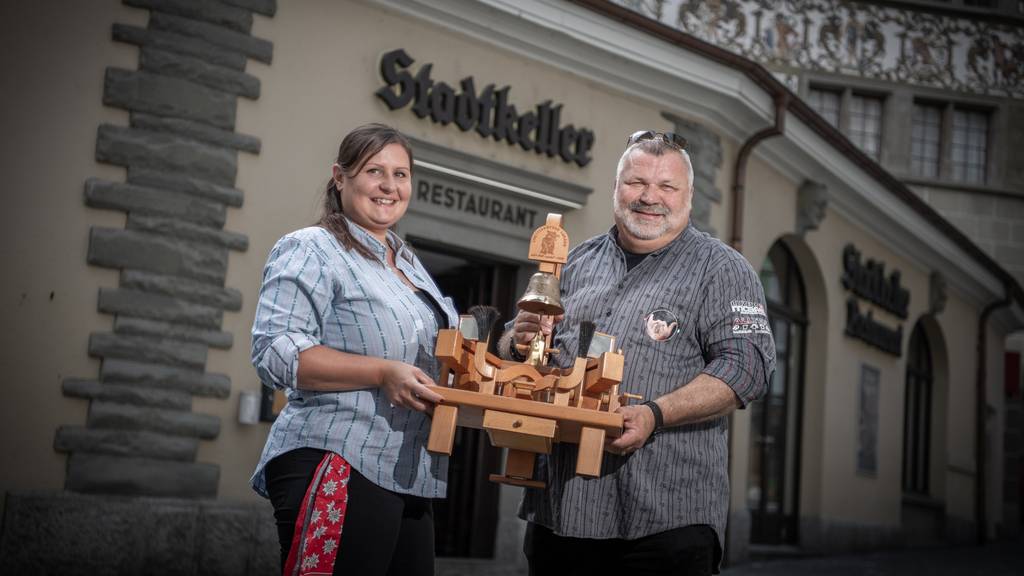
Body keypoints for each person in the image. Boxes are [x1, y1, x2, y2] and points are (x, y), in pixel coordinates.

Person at [501, 130, 776, 575]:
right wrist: (518, 340)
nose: (650, 197)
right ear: (616, 188)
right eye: (636, 183)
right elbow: (516, 343)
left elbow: (747, 368)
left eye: (667, 186)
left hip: (666, 520)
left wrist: (654, 414)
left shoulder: (722, 269)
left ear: (687, 196)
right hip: (561, 512)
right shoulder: (577, 262)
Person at [250, 123, 457, 576]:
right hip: (338, 457)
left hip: (408, 472)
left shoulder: (407, 263)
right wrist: (382, 372)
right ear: (340, 177)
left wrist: (513, 339)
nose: (389, 186)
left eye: (401, 174)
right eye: (373, 171)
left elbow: (445, 351)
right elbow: (275, 350)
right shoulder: (313, 248)